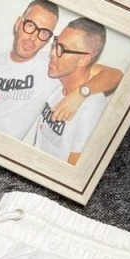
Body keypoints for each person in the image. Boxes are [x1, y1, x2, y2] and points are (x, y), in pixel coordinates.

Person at [0, 1, 121, 141]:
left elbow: (115, 75)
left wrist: (80, 94)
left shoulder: (52, 67)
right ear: (18, 23)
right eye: (30, 25)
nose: (33, 38)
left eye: (44, 33)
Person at [34, 18, 109, 163]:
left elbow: (74, 169)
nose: (52, 53)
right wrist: (81, 93)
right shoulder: (58, 76)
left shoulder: (92, 108)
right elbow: (114, 74)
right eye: (56, 43)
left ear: (83, 60)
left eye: (62, 49)